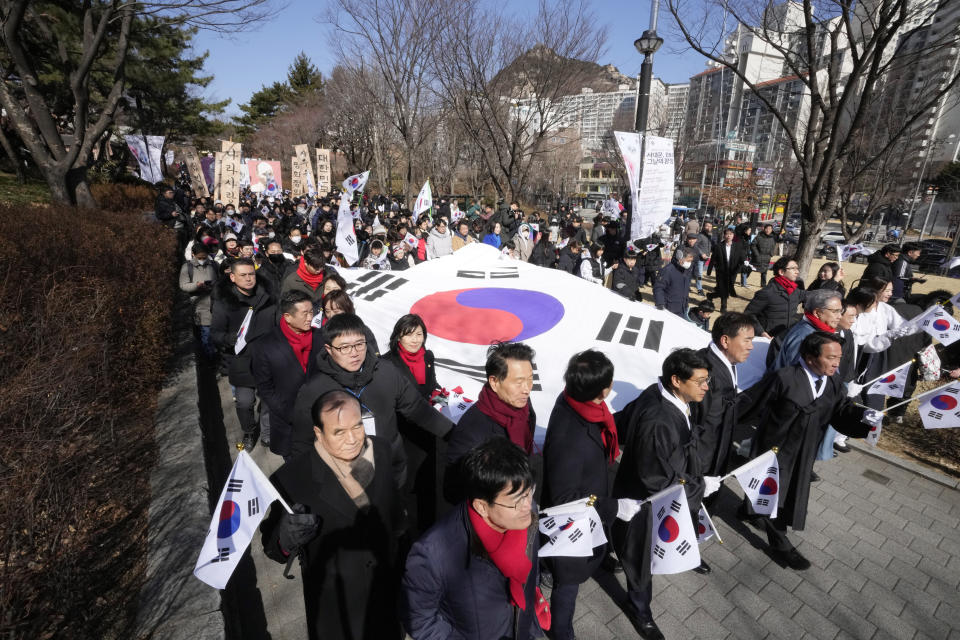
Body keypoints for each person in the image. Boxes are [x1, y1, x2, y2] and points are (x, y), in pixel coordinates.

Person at [260, 390, 402, 640]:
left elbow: (393, 513)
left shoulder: (380, 449)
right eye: (339, 432)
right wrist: (285, 538)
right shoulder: (291, 478)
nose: (353, 439)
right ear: (319, 433)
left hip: (386, 591)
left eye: (357, 427)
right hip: (337, 607)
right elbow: (273, 550)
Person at [735, 332, 875, 569]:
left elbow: (839, 411)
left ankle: (748, 511)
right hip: (774, 451)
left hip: (804, 450)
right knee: (775, 495)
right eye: (830, 358)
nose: (836, 363)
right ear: (810, 358)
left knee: (788, 492)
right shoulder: (784, 378)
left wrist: (865, 417)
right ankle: (780, 544)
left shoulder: (831, 382)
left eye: (839, 358)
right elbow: (749, 404)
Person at [612, 349, 717, 640]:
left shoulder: (663, 392)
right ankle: (639, 610)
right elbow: (656, 478)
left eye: (707, 380)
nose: (706, 387)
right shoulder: (658, 421)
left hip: (665, 481)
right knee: (639, 555)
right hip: (645, 499)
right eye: (700, 381)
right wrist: (699, 486)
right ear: (676, 380)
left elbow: (623, 422)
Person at [402, 438, 547, 640]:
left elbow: (532, 569)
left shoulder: (525, 513)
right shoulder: (433, 554)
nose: (528, 506)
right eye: (516, 501)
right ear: (481, 506)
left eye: (529, 492)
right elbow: (420, 621)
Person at [543, 351, 641, 640]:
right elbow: (565, 498)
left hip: (590, 496)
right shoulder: (570, 437)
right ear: (602, 390)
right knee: (567, 581)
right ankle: (561, 630)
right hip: (572, 519)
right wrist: (614, 507)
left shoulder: (576, 402)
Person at [290, 313, 453, 486]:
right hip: (346, 478)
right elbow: (303, 442)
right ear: (329, 349)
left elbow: (416, 408)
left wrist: (453, 433)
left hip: (392, 467)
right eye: (344, 347)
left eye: (359, 344)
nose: (354, 353)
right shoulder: (314, 390)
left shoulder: (386, 372)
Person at [445, 342, 540, 503]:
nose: (527, 389)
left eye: (530, 380)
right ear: (494, 382)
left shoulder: (523, 404)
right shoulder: (472, 432)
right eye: (518, 382)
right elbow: (456, 492)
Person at [382, 314, 444, 534]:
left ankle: (428, 522)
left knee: (427, 478)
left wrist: (441, 394)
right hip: (403, 431)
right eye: (409, 334)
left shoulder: (428, 356)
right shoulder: (387, 363)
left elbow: (432, 385)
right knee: (407, 480)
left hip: (427, 427)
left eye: (419, 334)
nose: (415, 339)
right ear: (399, 335)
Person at [210, 258, 277, 451]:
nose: (249, 279)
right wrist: (231, 339)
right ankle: (249, 431)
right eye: (243, 275)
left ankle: (267, 433)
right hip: (241, 361)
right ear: (232, 277)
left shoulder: (268, 297)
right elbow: (215, 334)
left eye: (251, 274)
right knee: (244, 403)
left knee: (268, 401)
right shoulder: (224, 303)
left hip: (267, 358)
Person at [251, 290, 325, 459]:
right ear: (288, 316)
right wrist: (291, 415)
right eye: (304, 313)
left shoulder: (320, 338)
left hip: (321, 417)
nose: (310, 318)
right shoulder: (264, 345)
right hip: (288, 423)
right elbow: (265, 388)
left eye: (311, 312)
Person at [691, 312, 756, 479]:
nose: (751, 347)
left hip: (717, 453)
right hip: (702, 463)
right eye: (746, 340)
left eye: (752, 341)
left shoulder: (725, 362)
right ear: (725, 341)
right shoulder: (704, 373)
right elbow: (695, 425)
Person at [771, 289, 844, 371]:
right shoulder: (804, 336)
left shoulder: (818, 331)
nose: (840, 316)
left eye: (841, 311)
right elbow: (796, 373)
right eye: (835, 311)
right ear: (817, 312)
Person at [745, 256, 806, 338]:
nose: (797, 272)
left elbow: (812, 296)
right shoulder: (767, 292)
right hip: (768, 338)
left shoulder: (795, 290)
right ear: (781, 272)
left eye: (797, 268)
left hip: (786, 337)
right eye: (793, 268)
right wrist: (761, 332)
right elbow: (748, 314)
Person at [179, 243, 218, 361]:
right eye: (199, 258)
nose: (202, 260)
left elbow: (220, 282)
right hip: (199, 305)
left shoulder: (214, 265)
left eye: (204, 257)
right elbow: (183, 285)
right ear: (193, 255)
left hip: (215, 303)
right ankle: (210, 358)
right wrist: (197, 285)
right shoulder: (187, 267)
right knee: (206, 334)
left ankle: (215, 356)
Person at [707, 226, 746, 311]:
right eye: (727, 234)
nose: (729, 236)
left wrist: (741, 267)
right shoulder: (718, 246)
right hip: (721, 271)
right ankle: (723, 306)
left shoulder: (737, 246)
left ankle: (711, 295)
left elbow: (741, 258)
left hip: (732, 271)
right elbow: (713, 259)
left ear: (733, 236)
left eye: (731, 234)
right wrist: (709, 270)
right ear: (724, 235)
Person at [280, 245, 327, 314]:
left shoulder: (326, 276)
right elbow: (284, 305)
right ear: (305, 262)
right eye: (316, 267)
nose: (319, 270)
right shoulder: (291, 281)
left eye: (322, 266)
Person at [654, 247, 696, 317]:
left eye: (691, 261)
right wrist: (660, 303)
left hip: (682, 308)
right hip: (669, 308)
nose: (689, 263)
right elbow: (658, 287)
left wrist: (685, 303)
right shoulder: (667, 270)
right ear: (680, 258)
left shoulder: (686, 270)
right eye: (688, 261)